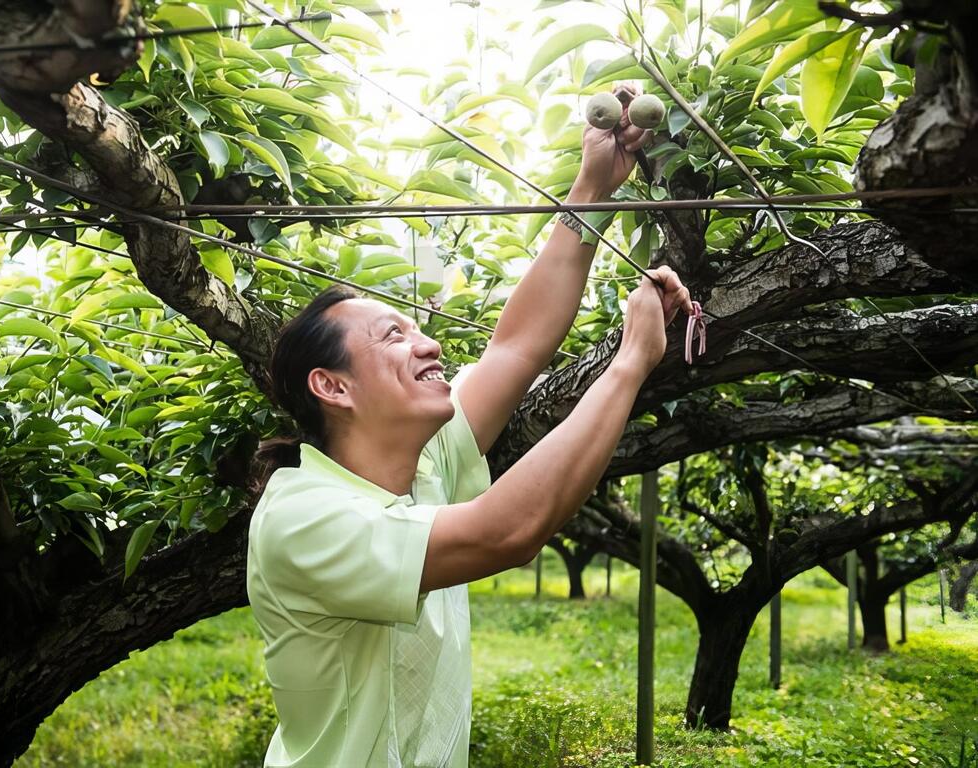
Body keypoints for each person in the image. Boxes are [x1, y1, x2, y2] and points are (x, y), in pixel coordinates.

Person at [245, 92, 693, 767]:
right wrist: (630, 364)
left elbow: (515, 347)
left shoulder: (424, 463)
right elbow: (505, 532)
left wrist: (593, 186)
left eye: (420, 330)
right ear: (332, 387)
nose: (428, 346)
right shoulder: (304, 515)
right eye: (394, 335)